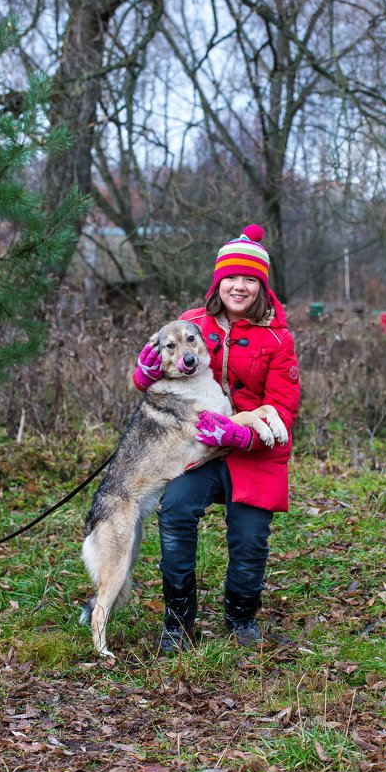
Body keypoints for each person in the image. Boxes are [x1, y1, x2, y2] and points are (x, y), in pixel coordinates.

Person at [133, 224, 300, 651]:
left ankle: (241, 618)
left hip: (255, 453)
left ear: (261, 285)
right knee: (175, 509)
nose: (239, 286)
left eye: (249, 279)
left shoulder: (279, 339)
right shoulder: (191, 324)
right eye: (231, 277)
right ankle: (178, 621)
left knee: (249, 535)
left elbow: (283, 409)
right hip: (200, 449)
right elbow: (165, 368)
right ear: (218, 280)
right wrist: (144, 375)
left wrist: (243, 436)